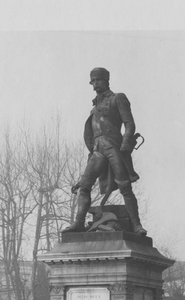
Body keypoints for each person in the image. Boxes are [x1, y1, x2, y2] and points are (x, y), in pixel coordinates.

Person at [63, 67, 147, 235]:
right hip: (97, 150)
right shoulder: (93, 108)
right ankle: (79, 223)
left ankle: (137, 226)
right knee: (85, 186)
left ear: (106, 80)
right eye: (92, 81)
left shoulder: (118, 98)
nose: (95, 85)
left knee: (125, 187)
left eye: (98, 80)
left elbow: (129, 123)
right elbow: (92, 133)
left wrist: (126, 142)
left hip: (114, 147)